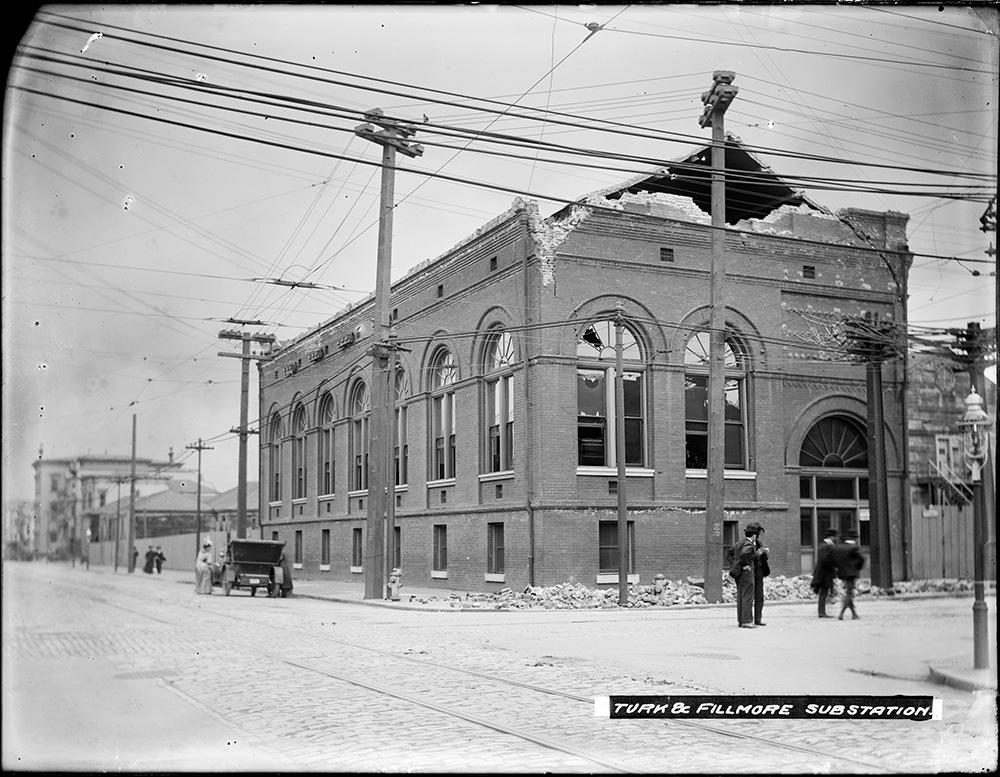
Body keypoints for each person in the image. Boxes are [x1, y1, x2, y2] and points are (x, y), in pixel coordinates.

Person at [731, 523, 759, 628]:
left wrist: (735, 565)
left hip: (739, 574)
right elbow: (744, 555)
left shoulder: (739, 543)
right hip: (747, 574)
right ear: (754, 535)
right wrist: (745, 565)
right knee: (748, 597)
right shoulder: (749, 545)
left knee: (741, 597)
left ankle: (741, 620)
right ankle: (747, 621)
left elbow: (729, 554)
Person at [834, 528, 865, 620]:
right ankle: (841, 613)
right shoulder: (854, 547)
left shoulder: (840, 547)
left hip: (842, 573)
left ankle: (854, 614)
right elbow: (862, 559)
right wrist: (857, 567)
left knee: (849, 592)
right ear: (854, 538)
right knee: (849, 594)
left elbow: (836, 560)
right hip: (851, 574)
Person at [811, 528, 839, 618]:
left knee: (825, 592)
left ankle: (822, 611)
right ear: (832, 537)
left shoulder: (826, 545)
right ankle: (821, 612)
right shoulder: (825, 546)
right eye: (835, 537)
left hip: (825, 574)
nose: (836, 538)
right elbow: (825, 560)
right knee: (823, 593)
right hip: (823, 574)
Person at [749, 522, 770, 626]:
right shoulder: (745, 543)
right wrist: (756, 555)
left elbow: (764, 559)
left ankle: (758, 619)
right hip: (749, 573)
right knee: (748, 597)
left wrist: (765, 554)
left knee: (759, 596)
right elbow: (743, 558)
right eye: (756, 533)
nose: (757, 536)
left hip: (759, 572)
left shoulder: (759, 543)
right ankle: (747, 619)